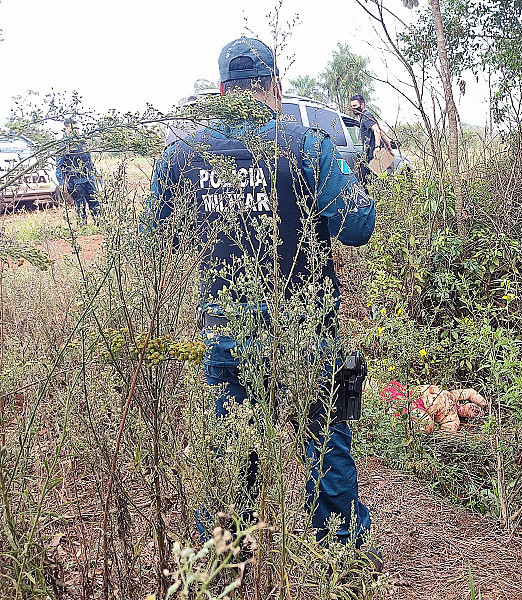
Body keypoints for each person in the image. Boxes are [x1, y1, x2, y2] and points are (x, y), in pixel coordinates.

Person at [150, 37, 377, 554]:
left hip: (228, 334)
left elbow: (151, 242)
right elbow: (357, 226)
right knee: (324, 439)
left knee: (233, 445)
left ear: (223, 90)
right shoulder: (308, 144)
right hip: (305, 332)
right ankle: (339, 552)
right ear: (274, 86)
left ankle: (225, 557)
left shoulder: (183, 154)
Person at [56, 119, 100, 222]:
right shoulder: (63, 145)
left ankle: (99, 224)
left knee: (95, 203)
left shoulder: (82, 141)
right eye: (73, 128)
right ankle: (83, 227)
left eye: (77, 128)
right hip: (75, 181)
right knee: (80, 205)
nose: (76, 131)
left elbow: (89, 161)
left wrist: (96, 175)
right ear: (66, 129)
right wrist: (61, 182)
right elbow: (59, 166)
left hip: (89, 178)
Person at [349, 94, 393, 184]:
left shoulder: (365, 116)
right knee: (377, 183)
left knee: (366, 184)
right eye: (351, 106)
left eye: (355, 106)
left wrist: (377, 147)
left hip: (372, 156)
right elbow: (381, 133)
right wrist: (389, 148)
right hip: (374, 155)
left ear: (362, 105)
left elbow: (376, 130)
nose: (353, 108)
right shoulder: (365, 117)